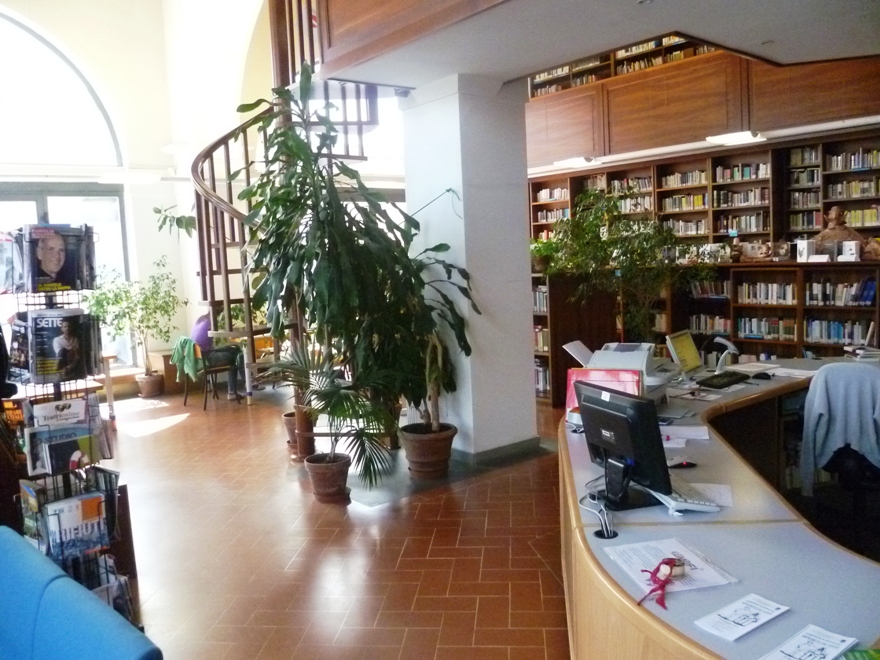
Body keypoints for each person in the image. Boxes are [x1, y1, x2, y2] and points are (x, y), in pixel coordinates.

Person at [191, 313, 242, 400]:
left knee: (235, 348)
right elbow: (222, 334)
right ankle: (235, 390)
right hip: (208, 358)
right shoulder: (211, 322)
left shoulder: (202, 319)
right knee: (234, 357)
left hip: (203, 356)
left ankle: (246, 382)